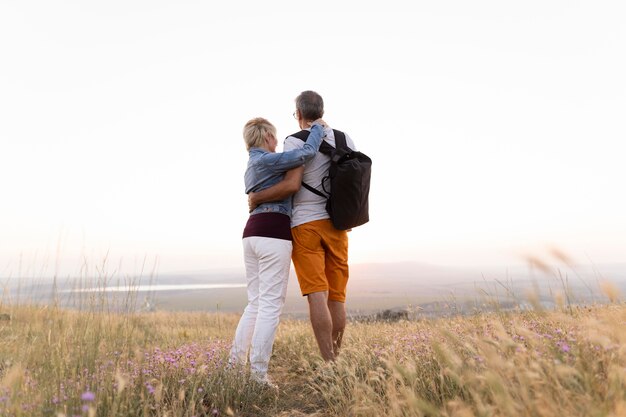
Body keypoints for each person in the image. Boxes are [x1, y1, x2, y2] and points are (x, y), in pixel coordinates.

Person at [248, 91, 356, 362]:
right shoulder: (345, 139)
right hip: (339, 226)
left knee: (317, 296)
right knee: (337, 297)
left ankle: (329, 363)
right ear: (322, 109)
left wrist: (257, 196)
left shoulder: (294, 140)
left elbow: (292, 183)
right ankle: (338, 360)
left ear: (298, 114)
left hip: (304, 225)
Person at [229, 116, 326, 387]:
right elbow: (306, 153)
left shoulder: (251, 165)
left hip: (252, 232)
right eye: (274, 137)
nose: (276, 142)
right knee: (270, 306)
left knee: (256, 304)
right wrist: (317, 127)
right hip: (274, 230)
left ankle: (233, 368)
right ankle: (258, 375)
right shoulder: (267, 159)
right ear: (268, 138)